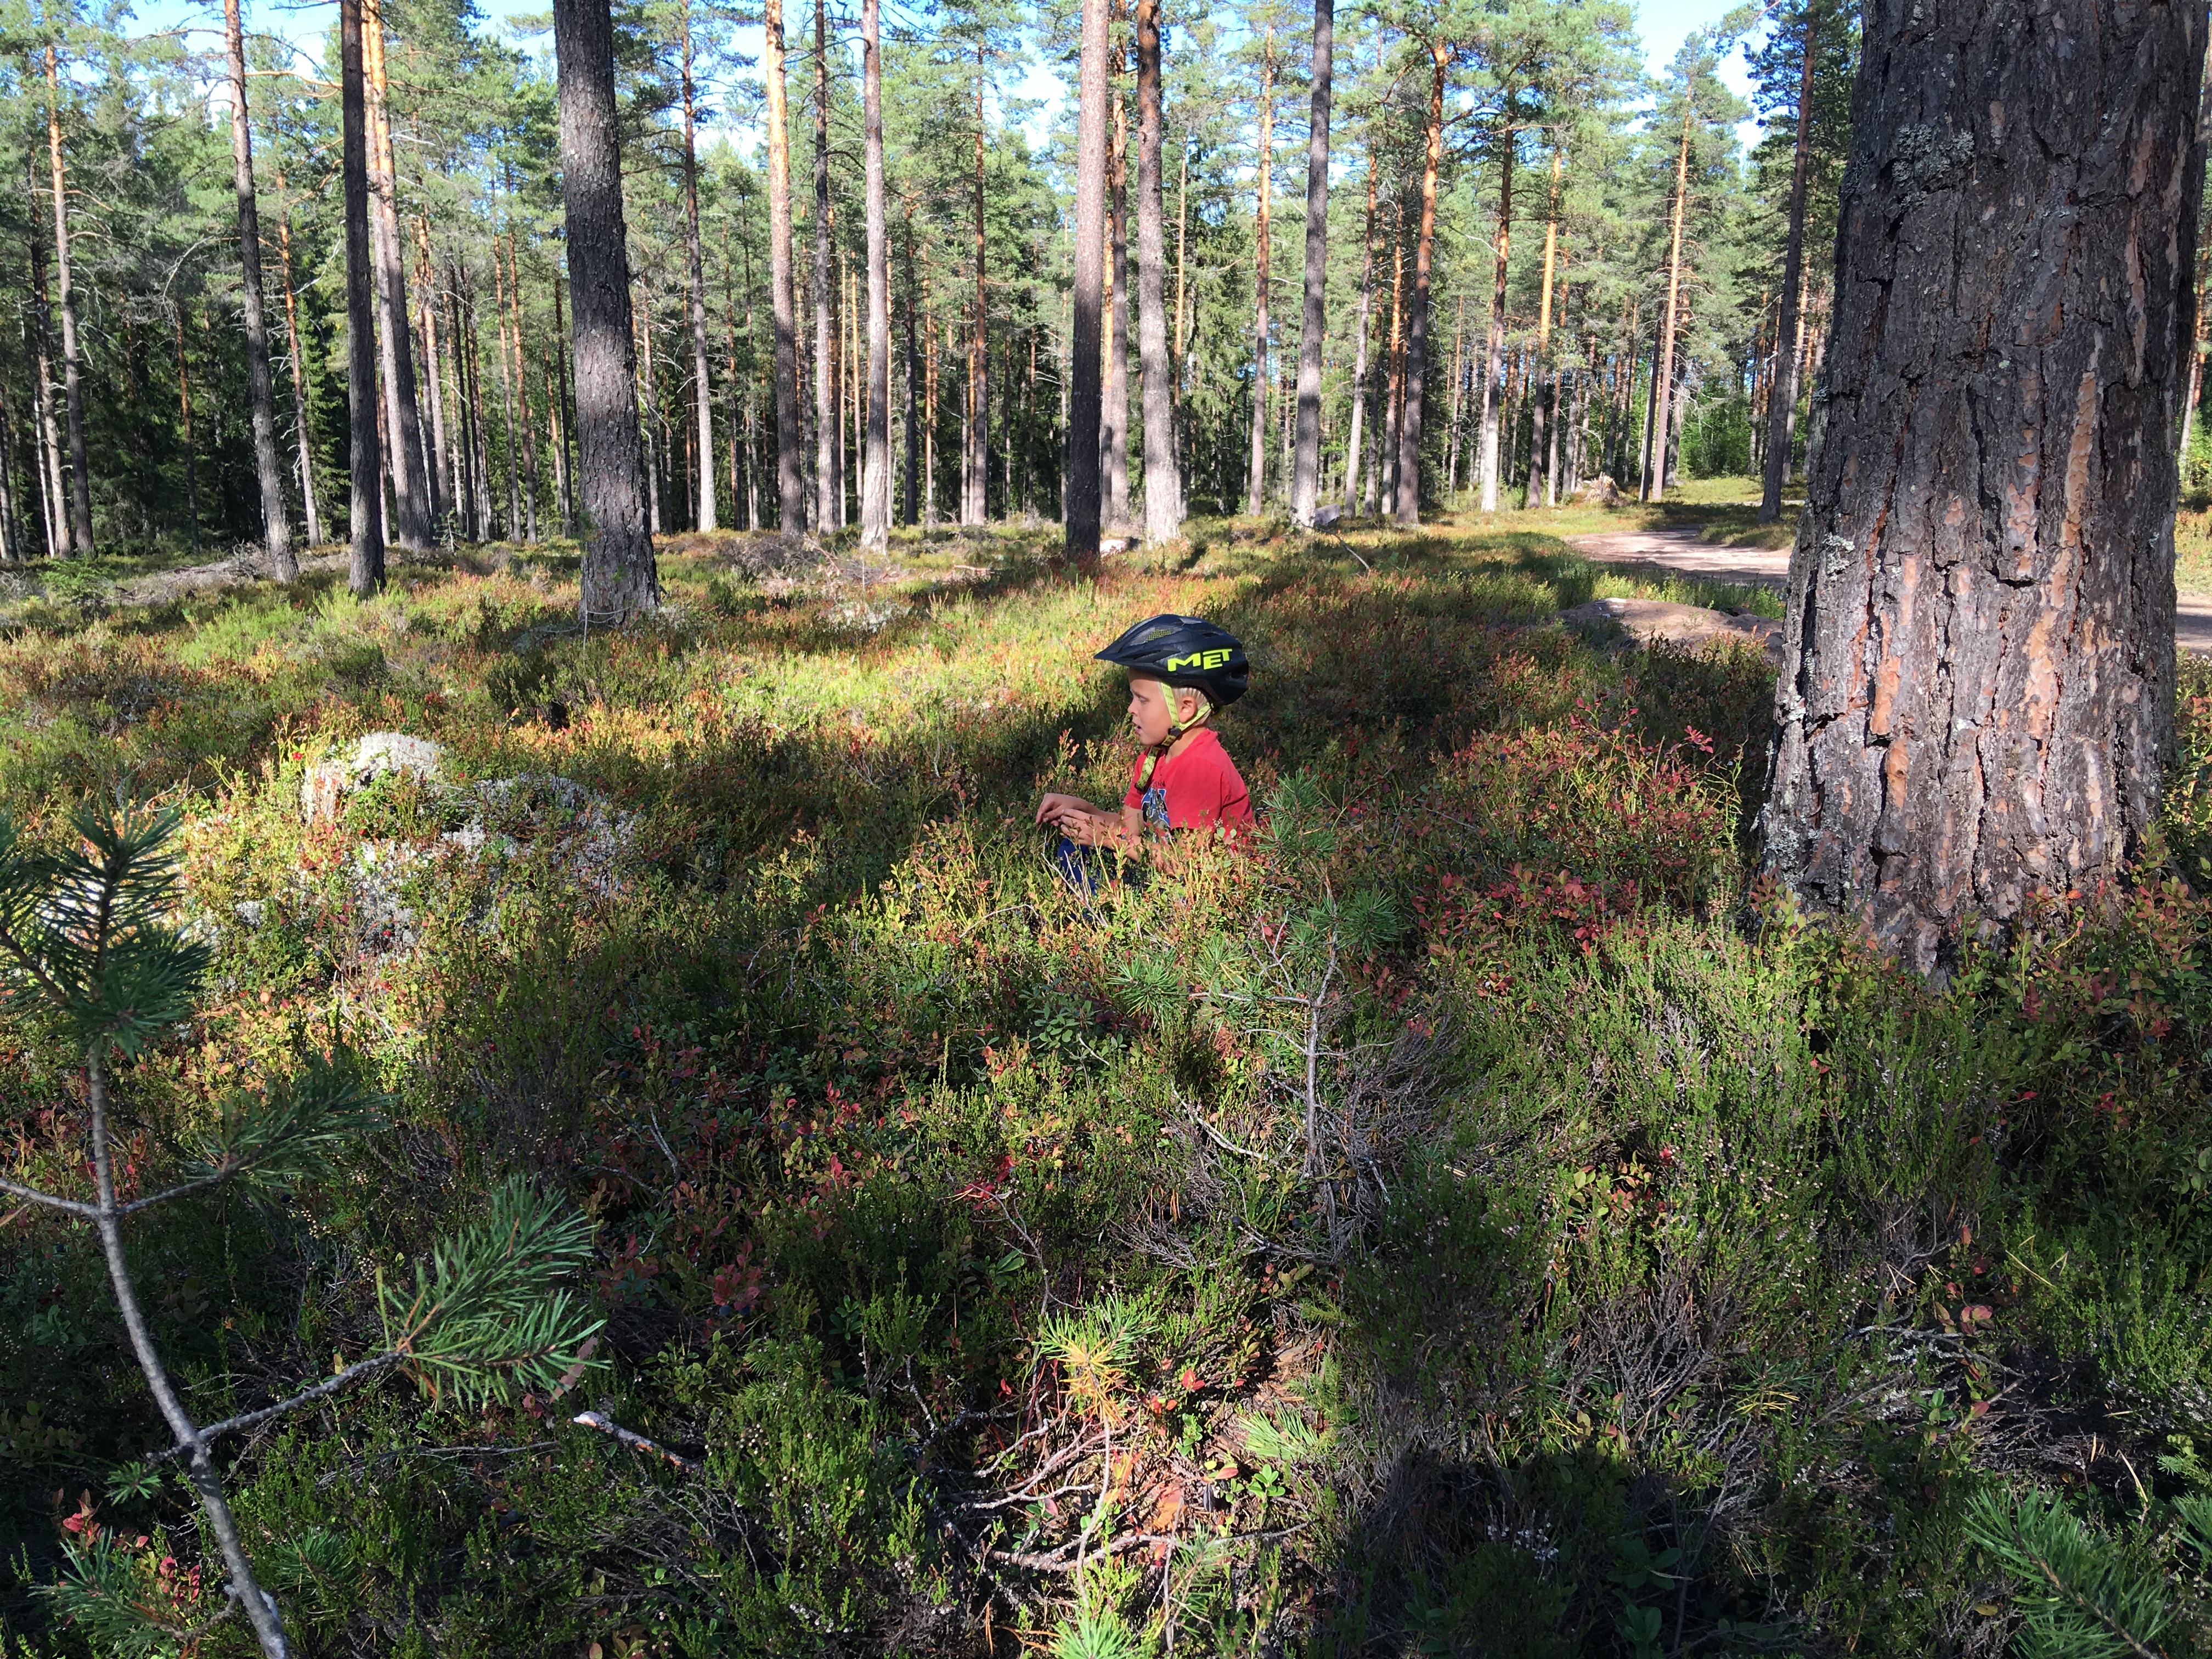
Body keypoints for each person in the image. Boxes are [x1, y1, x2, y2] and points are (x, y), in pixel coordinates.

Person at [1035, 616, 1253, 890]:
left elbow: (1187, 866)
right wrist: (1082, 810)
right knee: (1074, 850)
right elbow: (1130, 830)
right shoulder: (1154, 757)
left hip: (1207, 896)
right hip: (1166, 875)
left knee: (1091, 866)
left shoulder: (1199, 767)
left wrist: (1107, 839)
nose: (1131, 709)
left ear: (1185, 709)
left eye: (1142, 699)